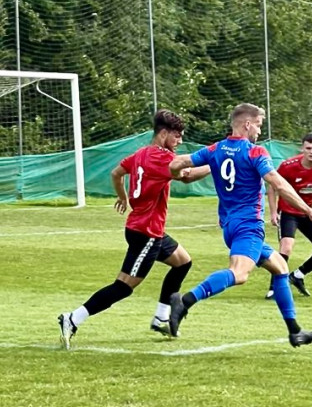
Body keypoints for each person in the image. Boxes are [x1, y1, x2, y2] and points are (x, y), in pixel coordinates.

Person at [167, 103, 312, 348]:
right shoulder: (255, 153)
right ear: (247, 124)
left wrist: (179, 176)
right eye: (259, 126)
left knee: (281, 268)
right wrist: (309, 211)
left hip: (230, 226)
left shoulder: (216, 149)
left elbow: (176, 164)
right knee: (239, 274)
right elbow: (279, 185)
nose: (259, 132)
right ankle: (185, 301)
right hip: (249, 227)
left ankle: (295, 331)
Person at [57, 109, 210, 350]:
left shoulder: (140, 154)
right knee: (123, 287)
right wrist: (217, 161)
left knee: (183, 262)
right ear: (163, 133)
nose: (179, 141)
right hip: (146, 233)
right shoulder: (160, 156)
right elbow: (187, 176)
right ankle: (73, 318)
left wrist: (123, 197)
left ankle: (161, 317)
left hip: (147, 229)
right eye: (177, 136)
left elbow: (116, 173)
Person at [264, 132, 312, 299]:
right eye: (308, 148)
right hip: (288, 213)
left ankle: (297, 276)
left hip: (309, 213)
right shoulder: (288, 166)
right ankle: (274, 287)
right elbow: (272, 187)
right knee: (287, 247)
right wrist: (274, 211)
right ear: (302, 149)